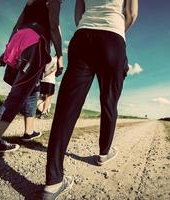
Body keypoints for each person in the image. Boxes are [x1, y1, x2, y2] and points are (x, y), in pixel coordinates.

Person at [43, 0, 138, 199]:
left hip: (84, 35)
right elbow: (131, 14)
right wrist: (115, 30)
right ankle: (104, 153)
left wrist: (90, 27)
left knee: (66, 108)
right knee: (109, 102)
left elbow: (79, 13)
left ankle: (53, 182)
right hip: (113, 37)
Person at [0, 0, 63, 155]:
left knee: (33, 90)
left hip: (20, 39)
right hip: (35, 43)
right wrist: (59, 56)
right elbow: (53, 27)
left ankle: (28, 132)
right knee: (19, 92)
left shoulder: (31, 2)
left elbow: (16, 26)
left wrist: (8, 49)